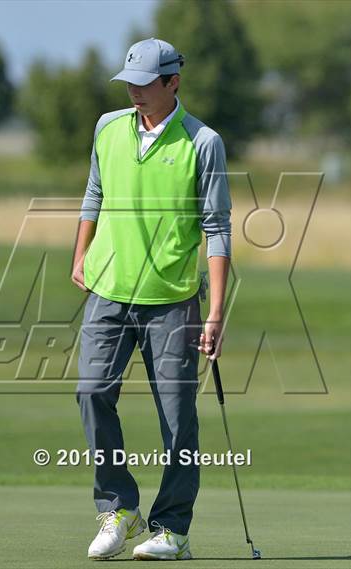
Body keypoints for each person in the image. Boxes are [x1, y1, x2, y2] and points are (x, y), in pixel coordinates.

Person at [71, 37, 231, 561]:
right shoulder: (107, 127)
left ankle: (172, 527)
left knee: (177, 416)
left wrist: (215, 313)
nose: (135, 93)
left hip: (172, 298)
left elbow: (217, 229)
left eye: (145, 85)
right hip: (108, 289)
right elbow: (95, 192)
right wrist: (82, 254)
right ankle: (118, 507)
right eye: (129, 84)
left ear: (173, 82)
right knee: (92, 392)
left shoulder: (202, 141)